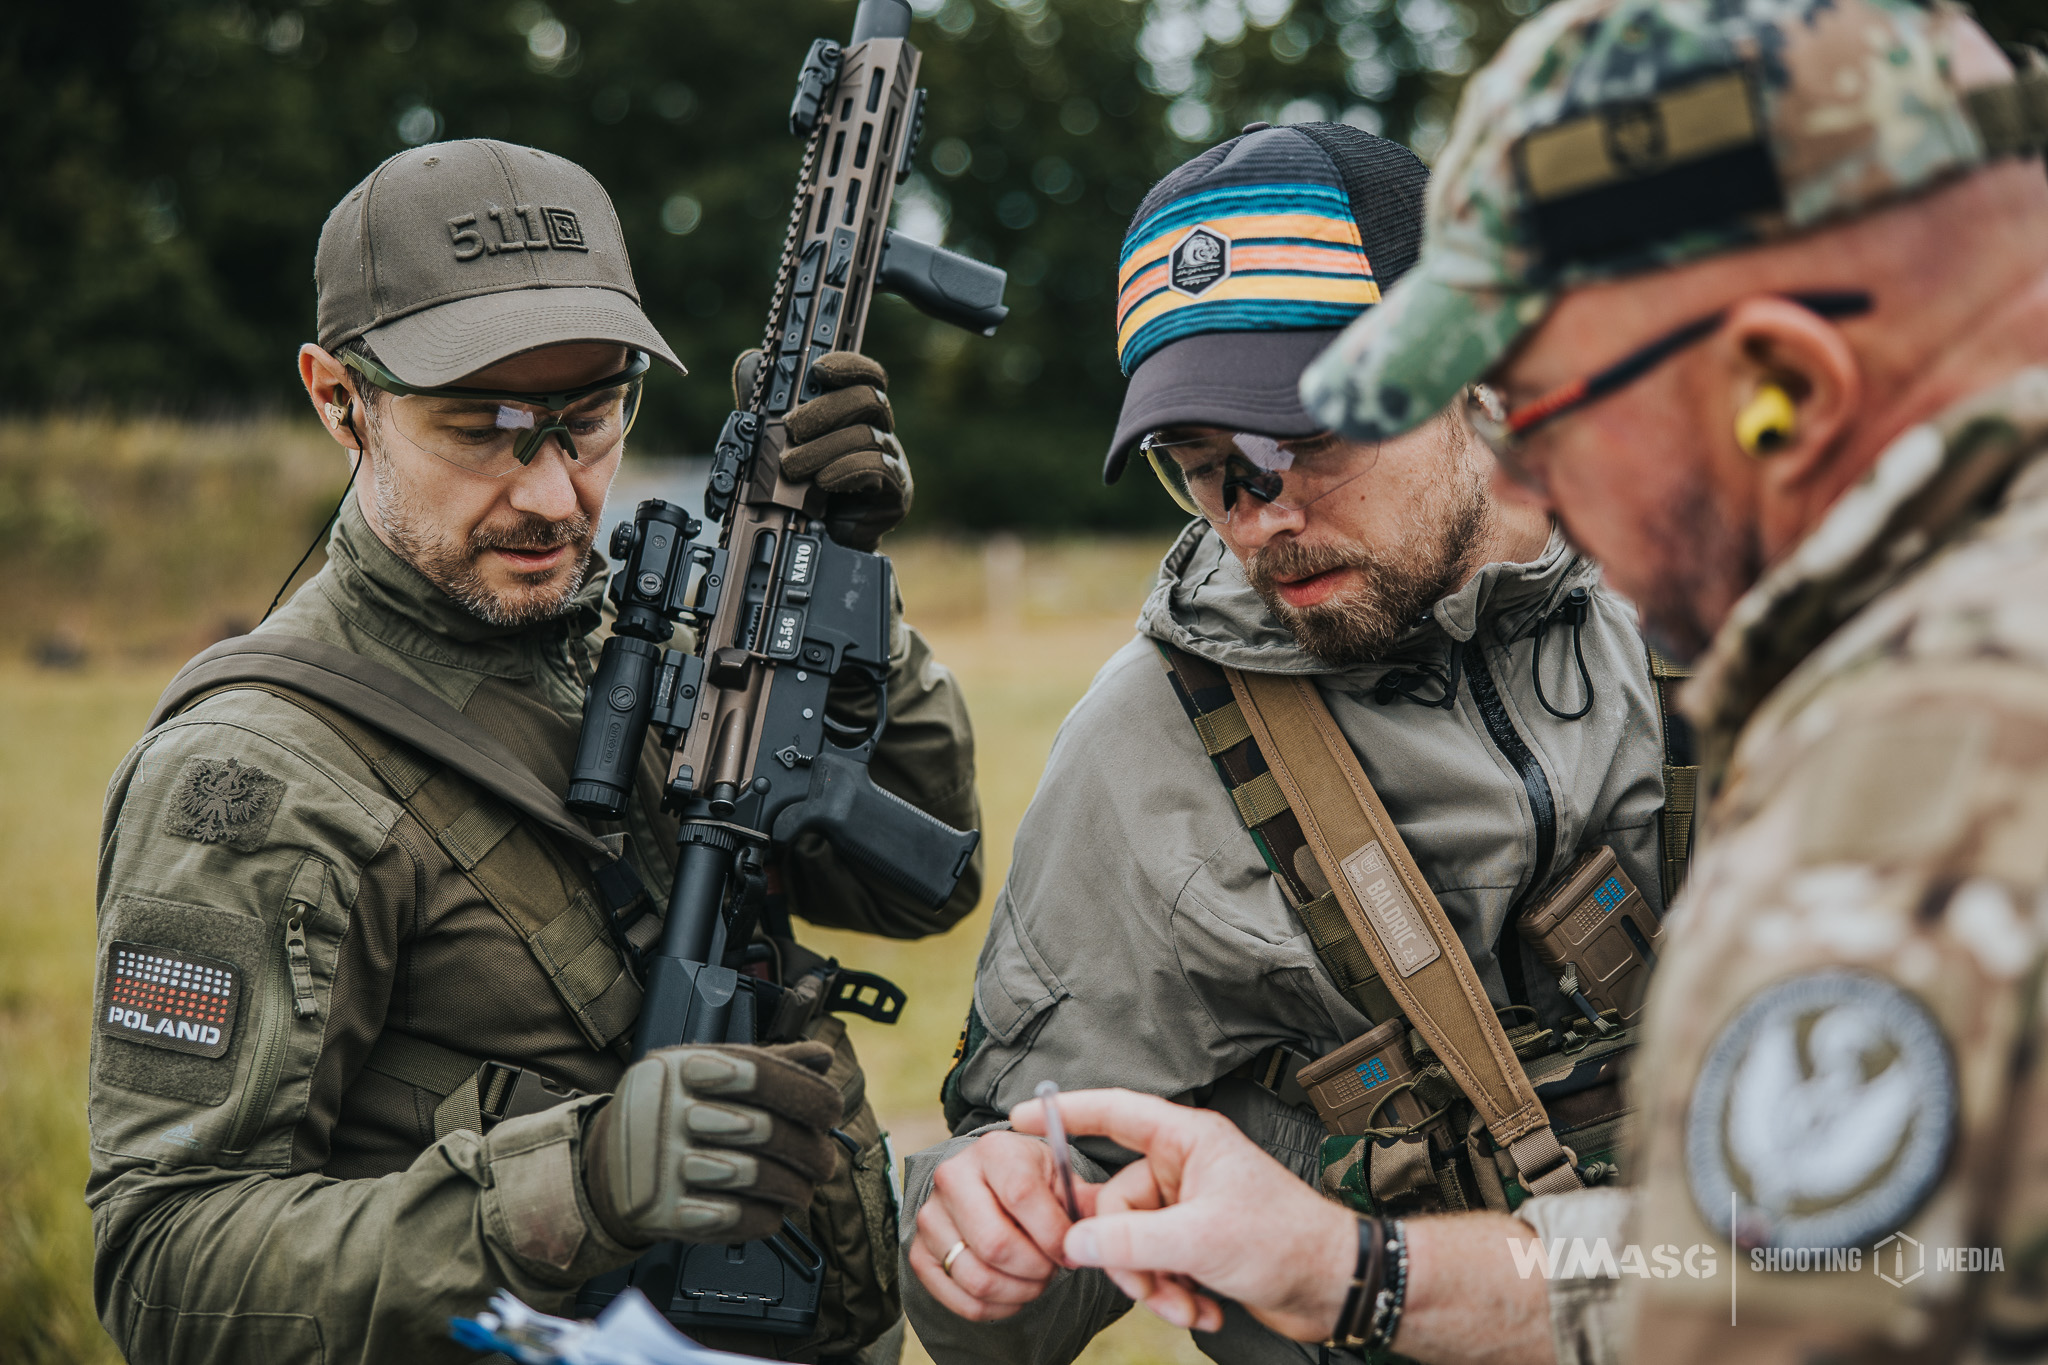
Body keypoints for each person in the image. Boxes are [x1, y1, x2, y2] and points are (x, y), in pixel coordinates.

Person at [945, 1, 2048, 1361]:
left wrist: (1365, 1273)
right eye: (1202, 467)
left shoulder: (1941, 726)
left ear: (1787, 382)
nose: (1536, 478)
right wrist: (1343, 1266)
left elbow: (1823, 1288)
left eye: (1558, 407)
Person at [88, 139, 980, 1365]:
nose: (556, 496)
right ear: (338, 399)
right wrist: (581, 1186)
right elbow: (164, 1270)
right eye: (485, 427)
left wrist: (845, 598)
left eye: (590, 418)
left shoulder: (643, 634)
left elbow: (915, 891)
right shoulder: (253, 777)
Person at [900, 122, 1677, 1364]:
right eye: (1203, 468)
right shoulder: (1144, 747)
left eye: (1302, 439)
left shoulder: (1712, 605)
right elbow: (1006, 1307)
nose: (1257, 517)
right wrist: (980, 1236)